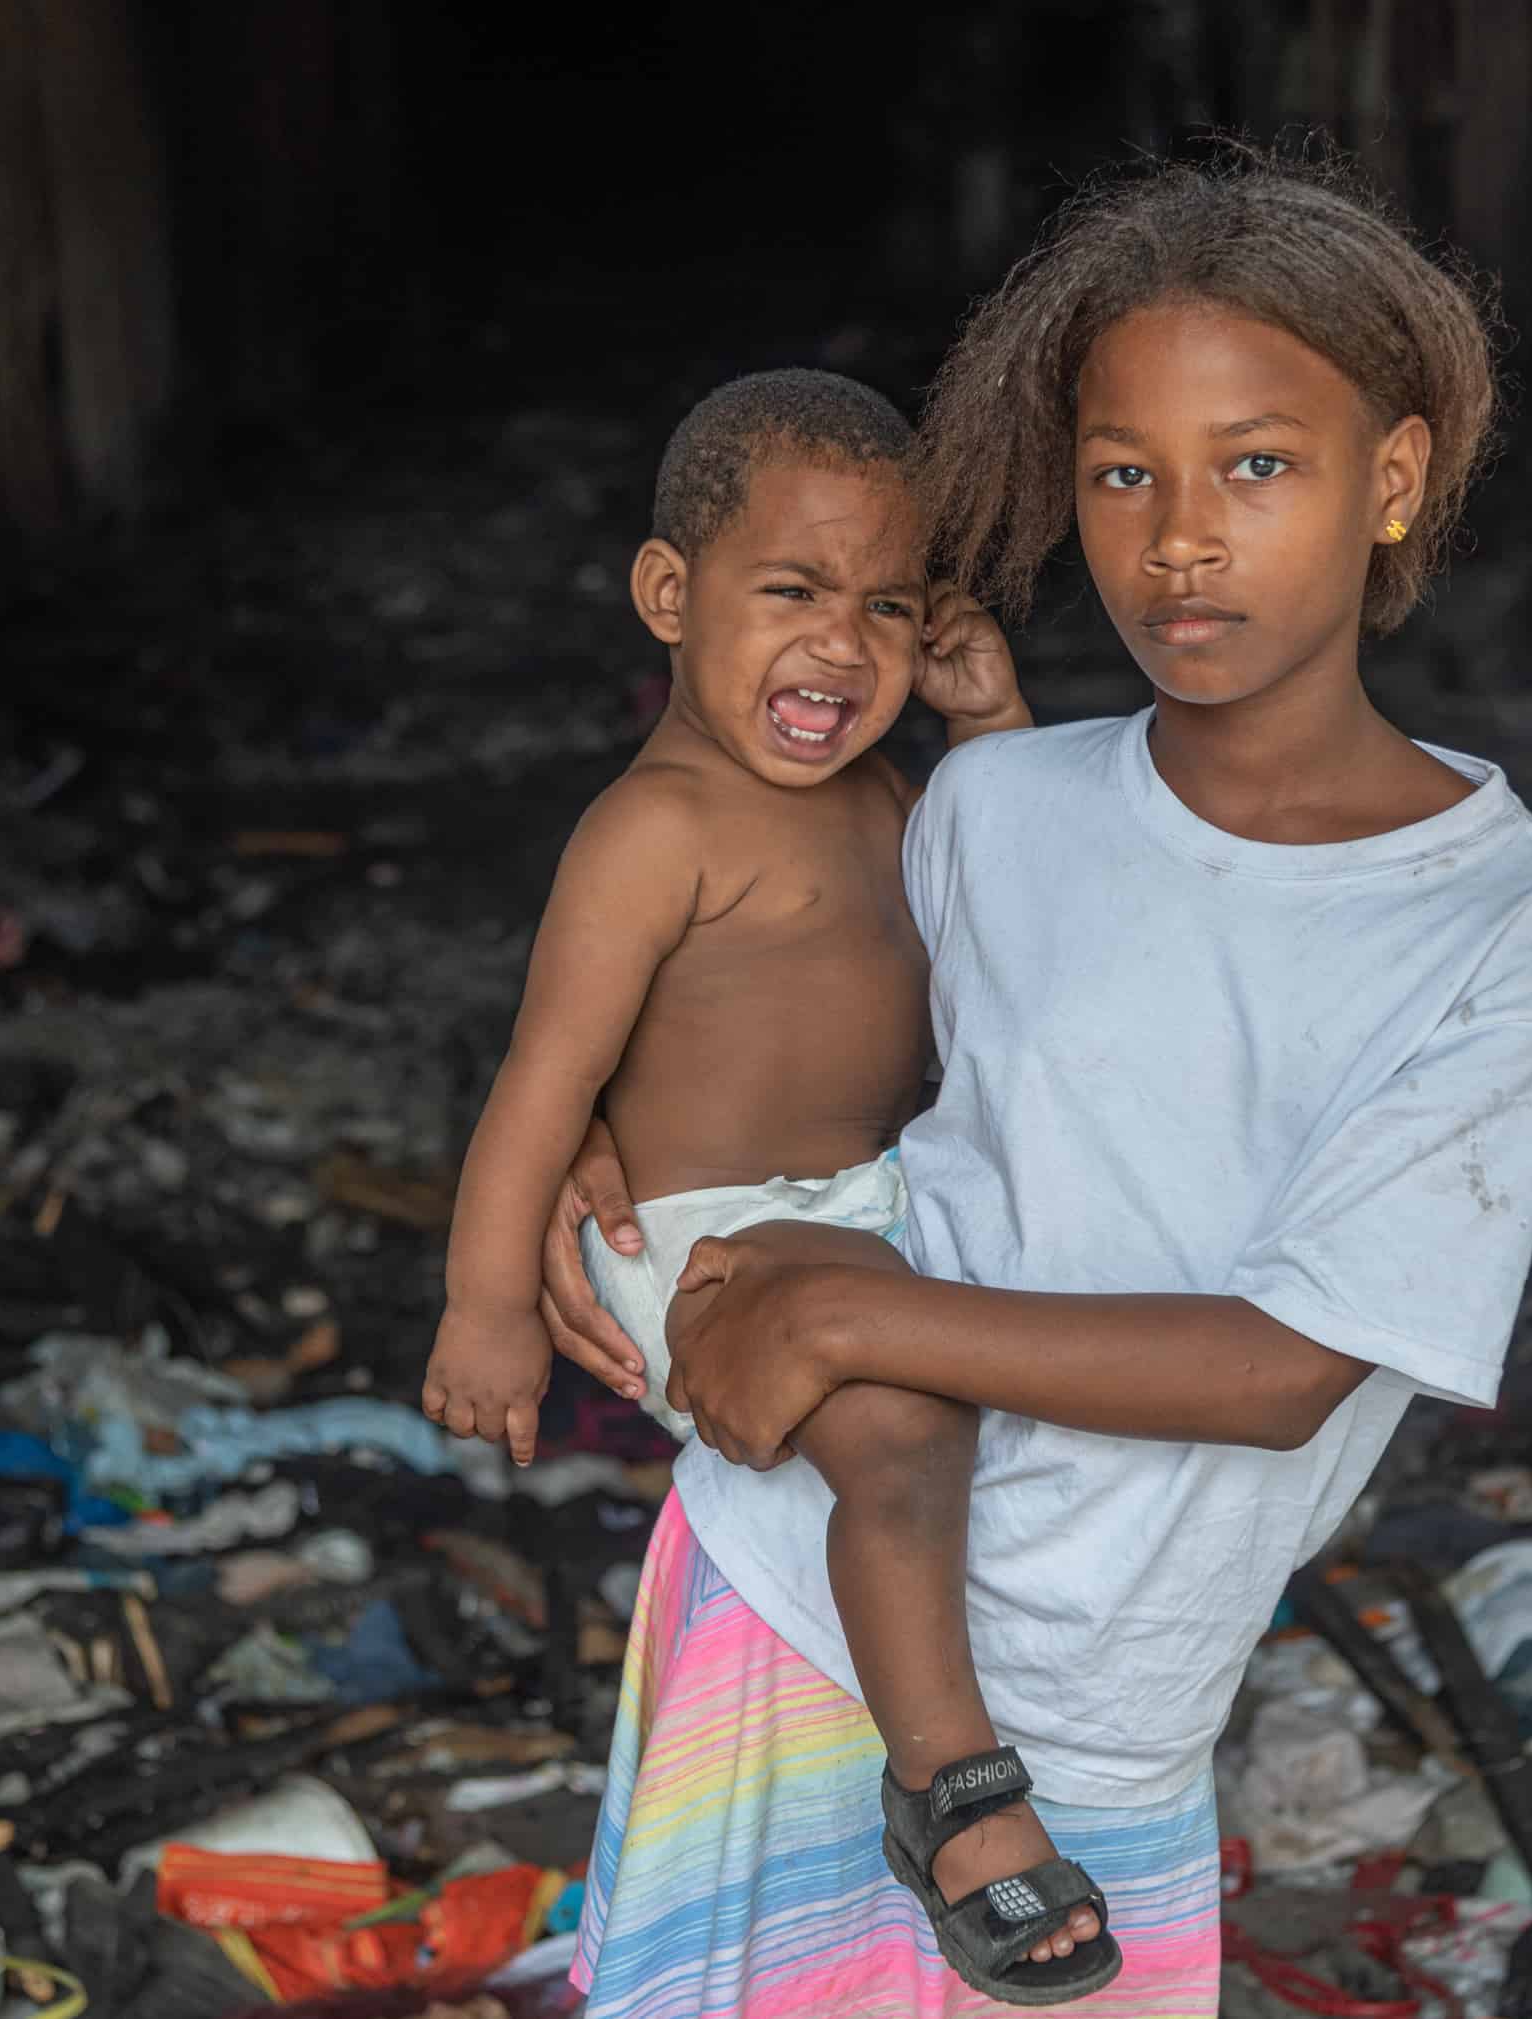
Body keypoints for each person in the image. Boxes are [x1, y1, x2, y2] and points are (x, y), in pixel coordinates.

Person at [543, 152, 1532, 2019]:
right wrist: (599, 1161)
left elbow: (1288, 1371)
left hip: (1107, 1720)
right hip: (797, 1603)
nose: (1179, 537)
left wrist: (868, 1311)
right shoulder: (996, 804)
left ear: (1396, 477)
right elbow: (802, 1058)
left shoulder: (1500, 924)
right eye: (1124, 473)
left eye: (1257, 465)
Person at [416, 369, 1086, 1990]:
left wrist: (992, 723)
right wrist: (485, 1305)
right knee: (905, 1442)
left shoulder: (891, 800)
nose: (838, 647)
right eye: (790, 591)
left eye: (886, 607)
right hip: (706, 1245)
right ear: (670, 595)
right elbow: (545, 1081)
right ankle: (953, 1796)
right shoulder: (654, 830)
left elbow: (1039, 919)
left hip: (868, 1213)